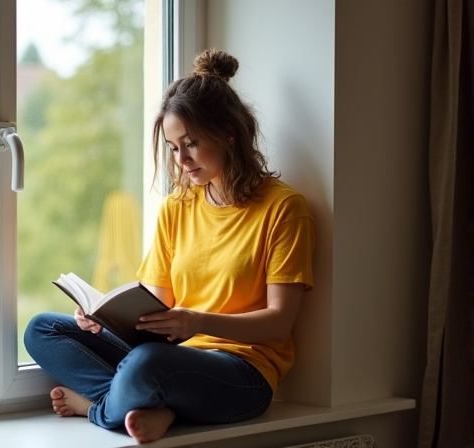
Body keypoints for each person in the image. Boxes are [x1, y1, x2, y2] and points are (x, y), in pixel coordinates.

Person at [24, 48, 316, 444]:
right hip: (172, 353)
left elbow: (280, 320)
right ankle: (152, 407)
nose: (181, 159)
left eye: (191, 144)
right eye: (173, 147)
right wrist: (105, 317)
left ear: (229, 133)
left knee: (147, 364)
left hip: (243, 372)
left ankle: (99, 408)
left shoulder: (284, 208)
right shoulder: (177, 206)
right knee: (44, 329)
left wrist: (198, 322)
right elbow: (157, 309)